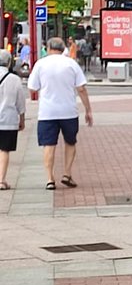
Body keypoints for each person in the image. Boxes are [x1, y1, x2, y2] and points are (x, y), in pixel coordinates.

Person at [27, 37, 93, 190]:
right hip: (69, 111)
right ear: (63, 48)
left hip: (47, 112)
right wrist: (88, 110)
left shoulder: (40, 64)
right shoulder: (71, 64)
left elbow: (32, 88)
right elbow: (81, 89)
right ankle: (67, 174)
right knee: (70, 142)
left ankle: (50, 179)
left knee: (48, 145)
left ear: (48, 48)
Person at [0, 50, 26, 190]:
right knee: (4, 150)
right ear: (9, 62)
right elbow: (20, 101)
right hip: (8, 120)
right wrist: (22, 118)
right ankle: (1, 180)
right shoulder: (14, 79)